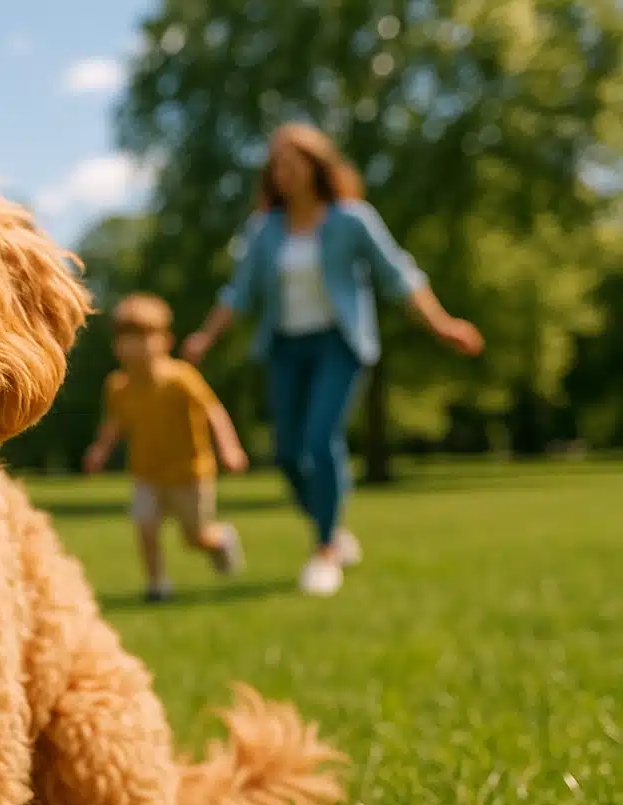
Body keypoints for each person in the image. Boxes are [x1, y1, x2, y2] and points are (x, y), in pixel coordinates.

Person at [182, 123, 484, 597]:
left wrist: (442, 323)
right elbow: (239, 292)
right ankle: (333, 525)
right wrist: (205, 336)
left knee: (320, 442)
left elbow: (398, 273)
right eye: (276, 166)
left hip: (338, 345)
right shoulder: (266, 230)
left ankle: (324, 550)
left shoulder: (351, 219)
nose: (283, 173)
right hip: (285, 347)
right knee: (286, 454)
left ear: (316, 165)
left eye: (292, 163)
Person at [83, 293, 249, 603]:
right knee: (145, 526)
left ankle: (221, 540)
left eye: (145, 337)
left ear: (165, 340)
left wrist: (229, 448)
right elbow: (115, 423)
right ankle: (158, 585)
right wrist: (100, 450)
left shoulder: (181, 378)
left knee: (195, 537)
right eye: (128, 338)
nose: (136, 347)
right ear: (117, 345)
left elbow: (213, 411)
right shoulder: (118, 386)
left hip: (190, 473)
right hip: (147, 473)